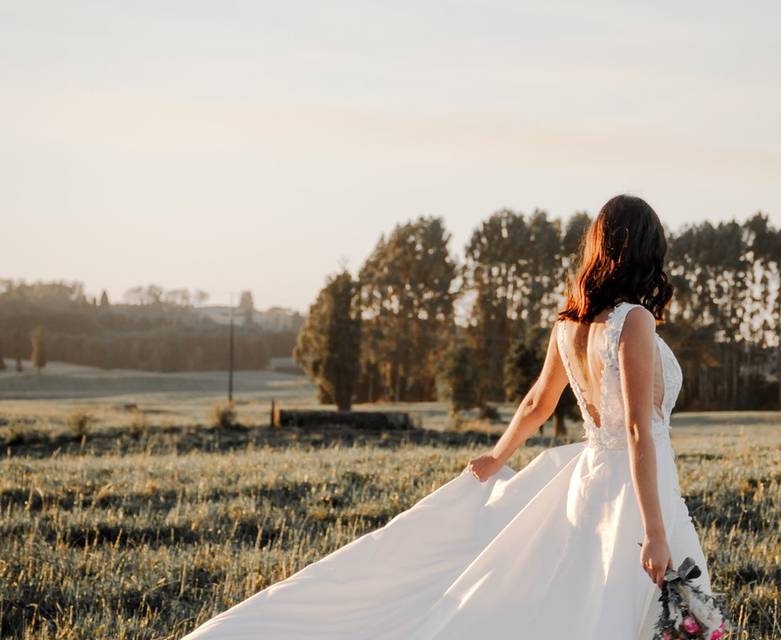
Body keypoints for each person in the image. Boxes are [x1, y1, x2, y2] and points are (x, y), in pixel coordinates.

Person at [182, 194, 714, 640]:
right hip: (635, 490)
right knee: (624, 610)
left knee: (585, 601)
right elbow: (641, 429)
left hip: (590, 483)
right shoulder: (634, 321)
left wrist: (497, 455)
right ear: (647, 251)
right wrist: (653, 530)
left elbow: (536, 403)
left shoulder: (568, 327)